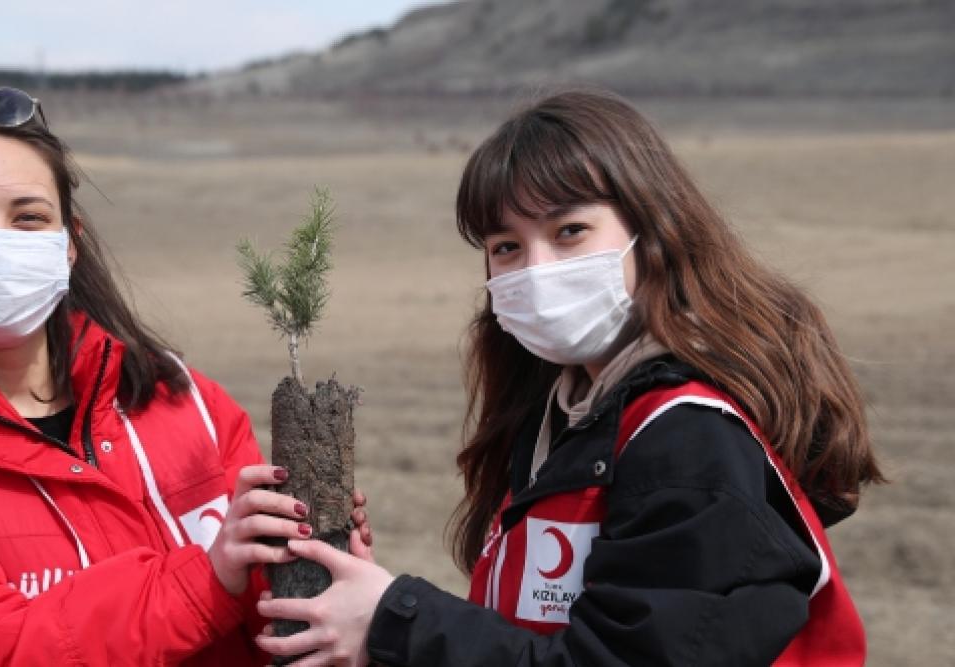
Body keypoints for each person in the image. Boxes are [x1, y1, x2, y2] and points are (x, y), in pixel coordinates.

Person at [255, 88, 884, 666]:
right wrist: (373, 610)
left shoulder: (691, 438)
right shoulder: (565, 416)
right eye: (506, 246)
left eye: (570, 232)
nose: (538, 269)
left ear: (654, 231)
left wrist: (397, 622)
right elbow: (540, 635)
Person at [0, 87, 369, 666]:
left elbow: (267, 623)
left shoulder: (184, 403)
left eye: (28, 217)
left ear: (69, 244)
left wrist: (309, 556)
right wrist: (208, 579)